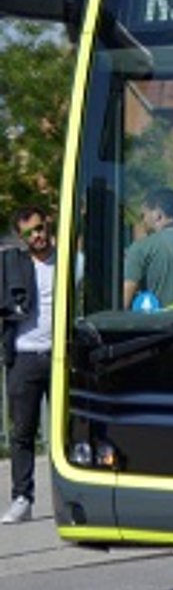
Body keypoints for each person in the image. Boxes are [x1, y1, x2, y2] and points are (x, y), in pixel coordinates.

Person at [1, 206, 56, 524]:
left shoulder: (65, 263)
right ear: (21, 238)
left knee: (68, 430)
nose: (37, 236)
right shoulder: (11, 265)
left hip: (59, 354)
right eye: (29, 232)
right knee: (22, 431)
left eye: (39, 228)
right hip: (24, 355)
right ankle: (22, 497)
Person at [122, 187, 173, 309]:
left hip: (157, 325)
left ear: (158, 215)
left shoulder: (141, 248)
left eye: (143, 215)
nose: (143, 221)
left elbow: (124, 301)